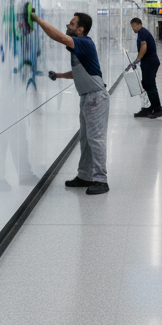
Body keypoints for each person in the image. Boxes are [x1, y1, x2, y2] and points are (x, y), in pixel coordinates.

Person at [32, 11, 110, 195]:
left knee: (96, 140)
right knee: (85, 139)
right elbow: (78, 71)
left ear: (80, 30)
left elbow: (57, 36)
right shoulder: (78, 48)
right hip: (86, 98)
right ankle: (85, 176)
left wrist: (36, 19)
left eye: (72, 23)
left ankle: (101, 180)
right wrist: (58, 75)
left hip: (96, 98)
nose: (68, 26)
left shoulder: (85, 42)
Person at [129, 17, 162, 119]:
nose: (133, 29)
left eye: (133, 27)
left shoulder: (142, 32)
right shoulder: (142, 32)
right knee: (146, 84)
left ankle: (157, 109)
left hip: (150, 63)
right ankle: (149, 107)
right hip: (148, 63)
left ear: (137, 25)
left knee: (150, 85)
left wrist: (136, 60)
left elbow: (144, 46)